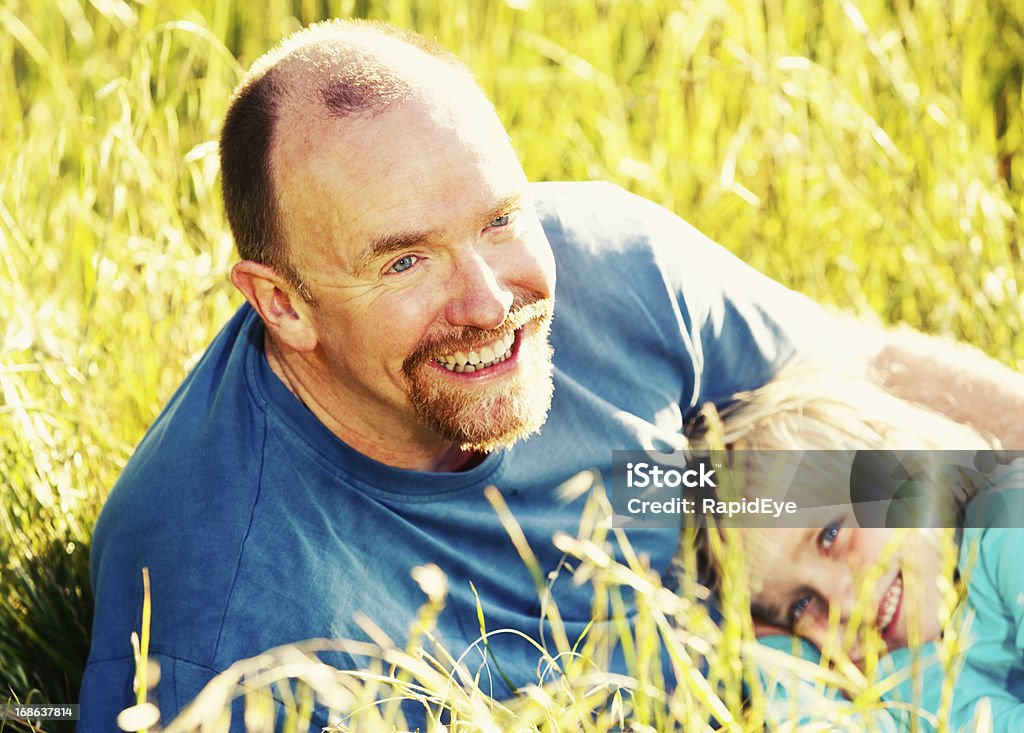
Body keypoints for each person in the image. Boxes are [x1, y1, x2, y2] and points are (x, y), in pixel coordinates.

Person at [78, 17, 1024, 732]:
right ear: (282, 303)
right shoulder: (227, 613)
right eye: (405, 261)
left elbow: (859, 385)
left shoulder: (613, 277)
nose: (493, 301)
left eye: (497, 218)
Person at [689, 363, 1024, 731]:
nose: (844, 604)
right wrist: (777, 658)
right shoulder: (890, 682)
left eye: (830, 535)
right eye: (800, 605)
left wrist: (922, 683)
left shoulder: (1008, 520)